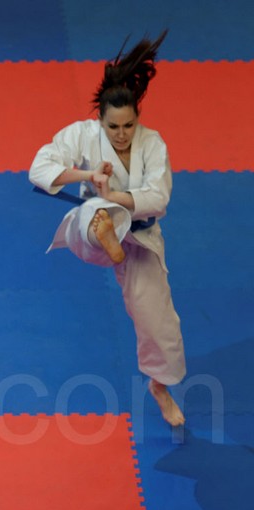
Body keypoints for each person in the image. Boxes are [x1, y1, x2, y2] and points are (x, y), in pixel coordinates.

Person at [29, 31, 186, 426]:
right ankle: (106, 231)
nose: (121, 134)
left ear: (137, 119)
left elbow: (159, 198)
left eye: (129, 125)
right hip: (92, 231)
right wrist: (89, 176)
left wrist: (115, 194)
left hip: (141, 238)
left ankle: (160, 386)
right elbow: (38, 170)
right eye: (113, 126)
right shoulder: (82, 135)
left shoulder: (153, 144)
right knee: (97, 211)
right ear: (100, 119)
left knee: (159, 322)